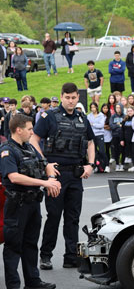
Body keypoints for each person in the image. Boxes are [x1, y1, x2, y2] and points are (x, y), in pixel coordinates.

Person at [30, 83, 95, 270]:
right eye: (67, 97)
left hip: (75, 174)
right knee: (54, 216)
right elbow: (34, 139)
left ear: (77, 97)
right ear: (61, 97)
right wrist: (45, 164)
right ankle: (46, 256)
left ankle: (71, 256)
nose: (71, 101)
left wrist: (90, 165)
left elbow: (91, 142)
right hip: (56, 174)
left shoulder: (82, 118)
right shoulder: (49, 116)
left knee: (73, 217)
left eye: (74, 97)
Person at [1, 114, 62, 289]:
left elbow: (45, 164)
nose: (32, 132)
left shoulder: (29, 147)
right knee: (13, 245)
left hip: (33, 203)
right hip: (17, 203)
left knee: (30, 243)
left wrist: (50, 175)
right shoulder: (7, 150)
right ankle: (13, 286)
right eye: (29, 129)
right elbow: (14, 176)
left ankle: (33, 281)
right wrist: (44, 183)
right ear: (18, 130)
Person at [87, 102, 108, 173]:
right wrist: (94, 125)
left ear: (96, 107)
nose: (93, 109)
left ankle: (106, 165)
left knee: (102, 151)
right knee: (94, 152)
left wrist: (93, 124)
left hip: (100, 134)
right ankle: (97, 166)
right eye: (91, 107)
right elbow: (88, 125)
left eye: (94, 107)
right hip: (92, 135)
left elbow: (101, 125)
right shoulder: (89, 116)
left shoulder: (101, 115)